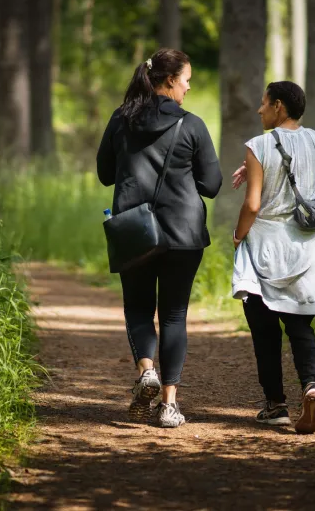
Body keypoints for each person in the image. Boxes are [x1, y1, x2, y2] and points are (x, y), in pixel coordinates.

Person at [97, 48, 223, 428]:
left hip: (135, 231)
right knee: (173, 314)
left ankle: (146, 371)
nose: (187, 87)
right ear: (169, 80)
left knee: (137, 308)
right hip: (183, 233)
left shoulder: (122, 119)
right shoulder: (193, 125)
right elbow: (212, 186)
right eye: (186, 80)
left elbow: (105, 173)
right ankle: (169, 405)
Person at [230, 81, 315, 434]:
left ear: (278, 106)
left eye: (263, 104)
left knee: (265, 332)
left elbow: (254, 204)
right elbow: (299, 179)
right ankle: (312, 384)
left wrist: (238, 235)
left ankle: (276, 406)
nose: (259, 110)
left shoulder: (258, 144)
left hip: (266, 246)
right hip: (304, 246)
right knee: (300, 325)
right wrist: (255, 167)